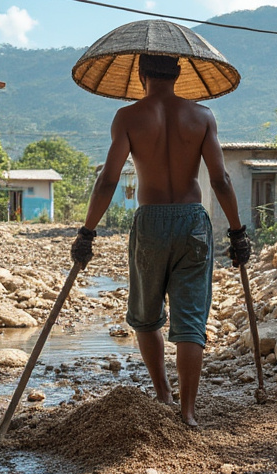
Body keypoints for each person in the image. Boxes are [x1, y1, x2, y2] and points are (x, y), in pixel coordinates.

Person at [71, 53, 251, 427]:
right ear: (180, 74)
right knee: (190, 320)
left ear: (141, 75)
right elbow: (220, 181)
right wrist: (238, 232)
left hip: (150, 221)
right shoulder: (202, 117)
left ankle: (163, 395)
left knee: (146, 316)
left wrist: (87, 232)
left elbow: (107, 180)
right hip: (192, 222)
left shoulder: (128, 118)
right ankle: (187, 413)